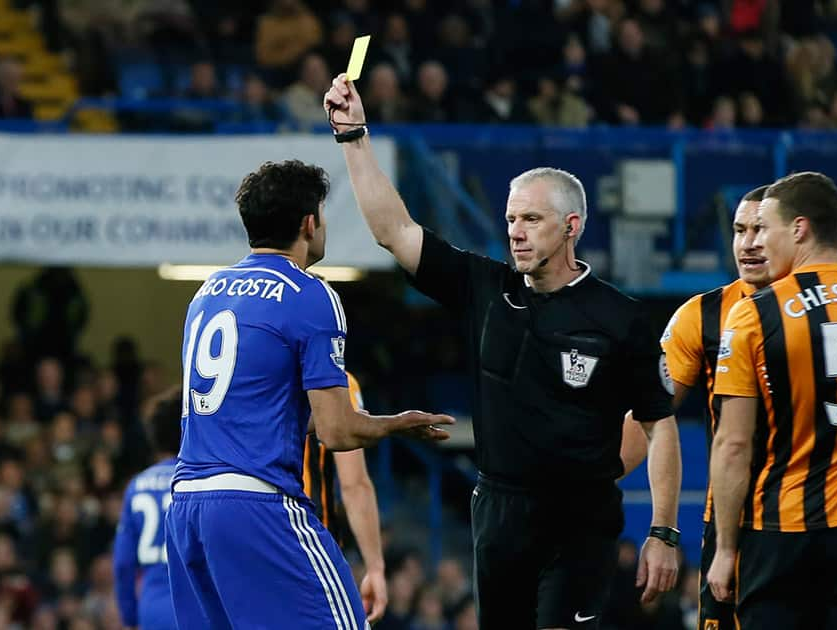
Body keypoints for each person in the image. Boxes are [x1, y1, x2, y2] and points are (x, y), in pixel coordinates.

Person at [324, 74, 681, 630]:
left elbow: (660, 427)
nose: (515, 231)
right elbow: (393, 230)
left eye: (531, 220)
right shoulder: (483, 288)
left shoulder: (623, 318)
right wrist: (353, 137)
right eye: (511, 218)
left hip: (580, 523)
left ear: (572, 227)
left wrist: (662, 531)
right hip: (497, 513)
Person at [165, 159, 453, 630]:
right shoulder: (309, 294)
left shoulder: (206, 293)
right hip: (255, 502)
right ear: (308, 223)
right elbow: (338, 432)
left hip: (187, 507)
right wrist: (396, 424)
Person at [708, 173, 837, 630]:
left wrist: (725, 549)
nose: (756, 240)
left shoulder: (755, 312)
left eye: (764, 227)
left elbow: (733, 445)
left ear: (798, 229)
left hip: (782, 535)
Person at [660, 185, 773, 630]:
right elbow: (649, 412)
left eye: (760, 230)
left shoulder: (823, 312)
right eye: (739, 230)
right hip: (730, 522)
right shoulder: (700, 316)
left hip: (811, 523)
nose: (747, 243)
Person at [302, 371, 387, 624]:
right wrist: (375, 568)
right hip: (311, 549)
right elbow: (354, 484)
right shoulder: (333, 381)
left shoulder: (249, 376)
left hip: (251, 536)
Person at [114, 389, 181, 630]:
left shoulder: (137, 485)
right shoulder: (197, 482)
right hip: (195, 606)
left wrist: (130, 617)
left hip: (152, 608)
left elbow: (123, 564)